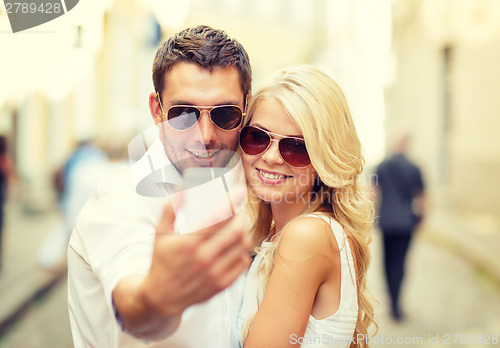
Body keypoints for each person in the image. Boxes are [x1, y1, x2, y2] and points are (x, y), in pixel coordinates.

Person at [67, 25, 252, 347]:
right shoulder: (120, 199)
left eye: (224, 114)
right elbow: (135, 305)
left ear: (245, 108)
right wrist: (158, 299)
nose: (205, 135)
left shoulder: (245, 186)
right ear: (157, 110)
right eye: (183, 113)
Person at [237, 65, 376, 347]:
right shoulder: (282, 231)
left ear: (325, 158)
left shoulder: (306, 236)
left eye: (296, 147)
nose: (272, 157)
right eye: (257, 137)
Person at [374, 135, 425, 321]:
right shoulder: (414, 167)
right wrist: (421, 218)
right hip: (405, 223)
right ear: (407, 144)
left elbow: (373, 192)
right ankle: (397, 303)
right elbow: (421, 197)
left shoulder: (382, 165)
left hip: (387, 221)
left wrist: (372, 215)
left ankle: (392, 300)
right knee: (401, 263)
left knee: (388, 262)